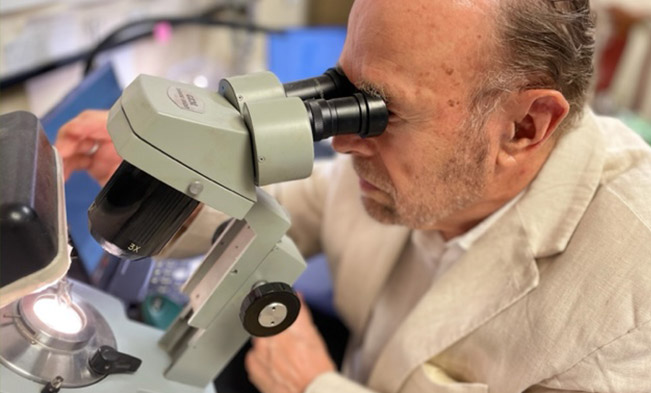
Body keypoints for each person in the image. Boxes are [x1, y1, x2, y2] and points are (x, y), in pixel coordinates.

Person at [56, 0, 651, 392]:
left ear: (523, 127)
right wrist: (183, 176)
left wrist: (314, 385)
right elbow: (289, 206)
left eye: (380, 113)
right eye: (344, 90)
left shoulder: (629, 303)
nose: (342, 141)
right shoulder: (401, 169)